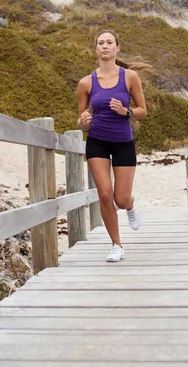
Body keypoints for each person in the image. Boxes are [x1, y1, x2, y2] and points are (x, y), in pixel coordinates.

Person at [76, 29, 151, 262]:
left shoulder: (129, 77)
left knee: (120, 198)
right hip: (97, 141)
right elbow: (81, 118)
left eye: (109, 42)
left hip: (123, 143)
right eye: (101, 43)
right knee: (105, 194)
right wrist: (83, 122)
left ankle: (130, 205)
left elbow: (143, 111)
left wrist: (126, 111)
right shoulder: (86, 82)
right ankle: (116, 245)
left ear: (117, 48)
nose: (105, 46)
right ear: (96, 48)